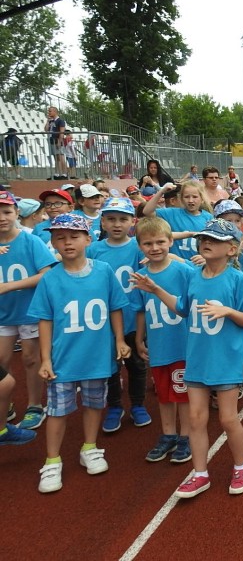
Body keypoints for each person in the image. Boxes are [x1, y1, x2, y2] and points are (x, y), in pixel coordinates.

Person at [131, 218, 243, 499]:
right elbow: (182, 309)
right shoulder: (194, 275)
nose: (206, 243)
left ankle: (242, 465)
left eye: (214, 240)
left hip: (225, 359)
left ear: (232, 250)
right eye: (204, 239)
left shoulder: (236, 279)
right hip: (196, 358)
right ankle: (200, 473)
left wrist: (227, 312)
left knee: (227, 419)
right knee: (197, 419)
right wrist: (156, 290)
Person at [30, 213, 131, 493]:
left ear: (88, 239)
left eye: (74, 236)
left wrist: (120, 340)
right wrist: (46, 358)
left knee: (94, 403)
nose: (67, 242)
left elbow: (115, 307)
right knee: (58, 411)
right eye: (60, 237)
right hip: (63, 358)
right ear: (52, 242)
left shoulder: (103, 271)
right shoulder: (50, 279)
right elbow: (45, 319)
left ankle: (90, 446)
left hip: (97, 356)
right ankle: (52, 460)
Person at [130, 217, 194, 464]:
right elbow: (139, 310)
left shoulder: (183, 271)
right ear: (140, 246)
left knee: (183, 394)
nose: (154, 248)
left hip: (182, 344)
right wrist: (138, 339)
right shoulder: (140, 276)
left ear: (170, 241)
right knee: (164, 394)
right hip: (158, 345)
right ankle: (168, 434)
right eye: (148, 243)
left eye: (160, 242)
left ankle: (186, 436)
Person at [86, 197, 149, 433]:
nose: (117, 224)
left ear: (132, 222)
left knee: (137, 364)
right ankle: (114, 406)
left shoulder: (139, 247)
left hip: (133, 317)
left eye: (123, 219)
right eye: (111, 219)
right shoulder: (93, 250)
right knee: (110, 365)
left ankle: (138, 404)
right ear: (102, 222)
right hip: (104, 321)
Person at [0, 190, 56, 431]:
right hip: (4, 312)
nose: (2, 218)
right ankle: (6, 402)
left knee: (31, 358)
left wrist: (9, 286)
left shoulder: (30, 240)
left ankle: (35, 405)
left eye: (6, 212)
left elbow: (46, 274)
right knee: (2, 361)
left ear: (16, 213)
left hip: (30, 310)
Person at [141, 180, 213, 262]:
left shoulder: (208, 217)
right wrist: (162, 191)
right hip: (175, 264)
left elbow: (212, 243)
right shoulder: (171, 213)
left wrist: (206, 258)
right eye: (186, 197)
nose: (190, 200)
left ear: (202, 199)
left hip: (198, 266)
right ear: (181, 199)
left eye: (195, 197)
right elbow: (147, 211)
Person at [44, 106, 68, 180]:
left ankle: (64, 173)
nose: (49, 112)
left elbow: (62, 132)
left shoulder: (60, 121)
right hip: (52, 140)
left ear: (55, 112)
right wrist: (48, 121)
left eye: (50, 111)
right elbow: (46, 129)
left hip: (57, 140)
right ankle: (57, 173)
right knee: (56, 157)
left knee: (61, 156)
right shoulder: (51, 121)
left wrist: (59, 141)